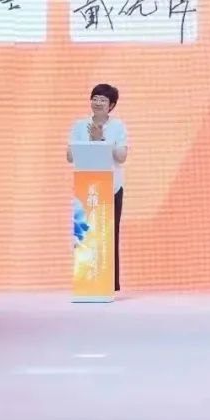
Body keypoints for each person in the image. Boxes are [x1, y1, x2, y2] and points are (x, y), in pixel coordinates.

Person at [67, 84, 128, 292]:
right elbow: (70, 156)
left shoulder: (118, 126)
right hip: (85, 188)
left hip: (112, 187)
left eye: (103, 100)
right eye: (95, 98)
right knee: (84, 236)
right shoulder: (79, 125)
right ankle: (87, 283)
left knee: (109, 235)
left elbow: (122, 156)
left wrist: (101, 140)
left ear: (111, 105)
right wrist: (89, 142)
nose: (98, 102)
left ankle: (109, 284)